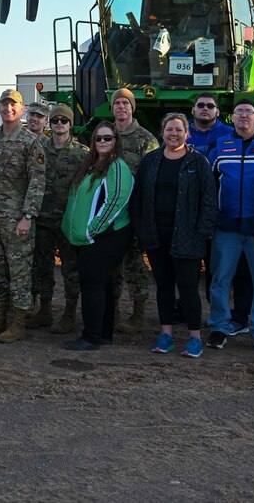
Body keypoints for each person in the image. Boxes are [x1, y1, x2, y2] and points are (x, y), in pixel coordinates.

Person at [133, 113, 217, 358]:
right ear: (163, 132)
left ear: (186, 133)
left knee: (189, 287)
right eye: (169, 129)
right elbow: (138, 198)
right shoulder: (151, 161)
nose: (174, 134)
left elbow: (209, 201)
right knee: (164, 286)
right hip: (157, 235)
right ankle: (166, 334)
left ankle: (194, 338)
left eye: (179, 130)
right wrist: (142, 229)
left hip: (188, 236)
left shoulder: (198, 163)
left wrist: (202, 232)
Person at [206, 98, 254, 352]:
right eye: (239, 112)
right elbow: (208, 185)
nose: (244, 116)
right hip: (226, 227)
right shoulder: (220, 146)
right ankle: (219, 326)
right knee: (221, 278)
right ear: (232, 118)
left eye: (249, 112)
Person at [0, 89, 45, 343]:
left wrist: (28, 215)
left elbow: (37, 181)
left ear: (22, 109)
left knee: (19, 271)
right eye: (4, 105)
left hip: (17, 219)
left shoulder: (29, 141)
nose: (7, 109)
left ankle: (18, 323)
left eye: (12, 105)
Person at [61, 122, 134, 350]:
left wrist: (91, 230)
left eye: (108, 138)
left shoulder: (117, 166)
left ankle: (91, 336)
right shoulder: (92, 165)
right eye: (99, 138)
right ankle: (103, 333)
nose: (103, 142)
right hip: (89, 238)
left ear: (116, 141)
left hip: (105, 236)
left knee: (92, 284)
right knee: (101, 285)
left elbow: (116, 200)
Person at [32, 103, 88, 332]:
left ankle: (68, 313)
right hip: (43, 217)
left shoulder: (82, 153)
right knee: (42, 266)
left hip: (68, 220)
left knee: (70, 268)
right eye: (54, 120)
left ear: (70, 124)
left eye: (63, 121)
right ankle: (44, 310)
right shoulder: (39, 148)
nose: (58, 124)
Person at [110, 87, 159, 332]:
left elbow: (153, 180)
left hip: (134, 213)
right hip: (108, 214)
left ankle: (138, 314)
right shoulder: (106, 135)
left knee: (135, 264)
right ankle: (113, 311)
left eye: (125, 104)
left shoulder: (145, 139)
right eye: (117, 104)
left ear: (132, 108)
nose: (121, 107)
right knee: (111, 265)